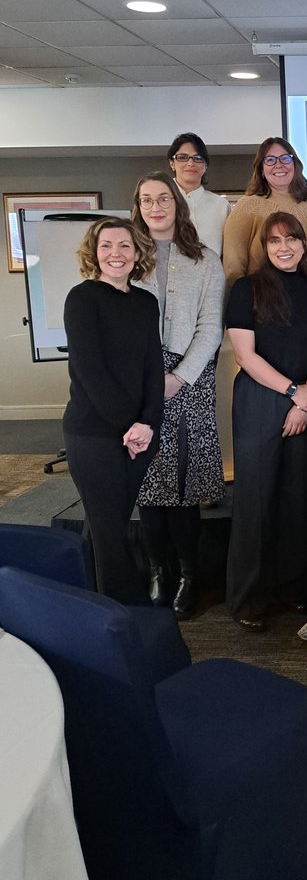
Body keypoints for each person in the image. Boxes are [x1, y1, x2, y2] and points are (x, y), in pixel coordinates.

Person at [224, 213, 307, 631]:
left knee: (299, 498)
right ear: (263, 248)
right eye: (274, 241)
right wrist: (292, 392)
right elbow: (245, 356)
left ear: (304, 244)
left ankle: (293, 587)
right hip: (260, 400)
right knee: (257, 502)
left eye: (291, 239)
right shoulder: (246, 288)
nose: (284, 247)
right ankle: (249, 598)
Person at [131, 171, 225, 617]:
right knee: (148, 483)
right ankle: (157, 572)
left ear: (177, 204)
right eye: (147, 200)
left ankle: (189, 575)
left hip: (190, 380)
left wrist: (180, 377)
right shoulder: (127, 257)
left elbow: (211, 327)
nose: (156, 207)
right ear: (138, 207)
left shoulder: (205, 260)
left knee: (184, 486)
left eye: (163, 198)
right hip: (139, 378)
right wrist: (149, 379)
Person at [62, 218, 164, 604]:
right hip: (93, 435)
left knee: (110, 526)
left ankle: (87, 601)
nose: (115, 254)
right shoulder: (82, 298)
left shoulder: (145, 302)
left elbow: (153, 367)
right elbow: (91, 372)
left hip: (139, 436)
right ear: (94, 252)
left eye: (124, 246)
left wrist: (148, 424)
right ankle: (129, 614)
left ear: (138, 253)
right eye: (106, 246)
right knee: (110, 532)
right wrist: (131, 426)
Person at [222, 136, 307, 285]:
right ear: (261, 170)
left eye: (285, 158)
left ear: (294, 164)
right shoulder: (248, 205)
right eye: (270, 160)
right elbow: (233, 266)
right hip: (261, 300)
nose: (278, 165)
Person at [167, 131, 230, 256]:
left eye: (198, 158)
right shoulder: (158, 201)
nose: (190, 163)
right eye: (183, 157)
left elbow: (228, 253)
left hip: (213, 274)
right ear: (172, 163)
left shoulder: (221, 206)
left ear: (205, 165)